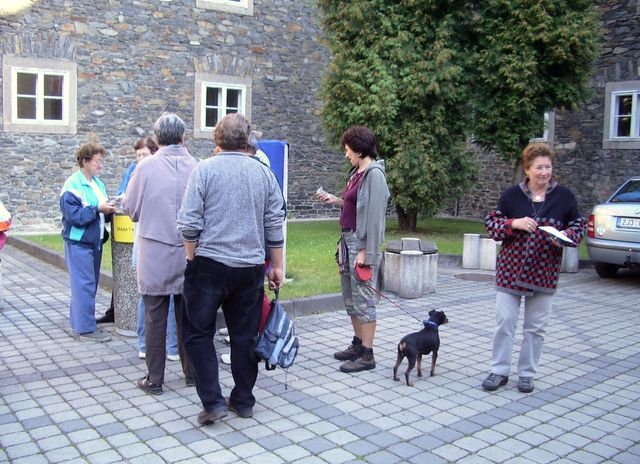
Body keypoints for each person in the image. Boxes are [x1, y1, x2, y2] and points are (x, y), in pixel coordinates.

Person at [177, 113, 285, 425]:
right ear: (247, 139)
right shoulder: (264, 174)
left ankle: (213, 402)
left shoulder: (204, 169)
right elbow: (274, 223)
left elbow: (188, 221)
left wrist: (191, 256)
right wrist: (277, 266)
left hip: (208, 265)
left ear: (217, 138)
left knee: (198, 333)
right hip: (250, 267)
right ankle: (243, 399)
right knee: (244, 336)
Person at [482, 142, 586, 394]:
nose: (544, 172)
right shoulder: (511, 195)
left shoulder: (564, 197)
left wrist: (565, 236)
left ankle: (527, 374)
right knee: (505, 323)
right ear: (527, 169)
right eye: (539, 167)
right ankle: (499, 371)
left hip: (543, 273)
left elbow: (579, 226)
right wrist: (513, 223)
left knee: (536, 328)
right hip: (510, 272)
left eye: (548, 167)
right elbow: (492, 224)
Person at [123, 113, 196, 394]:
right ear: (183, 137)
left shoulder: (145, 167)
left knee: (154, 317)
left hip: (154, 249)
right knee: (188, 315)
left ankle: (155, 379)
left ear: (157, 138)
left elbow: (131, 209)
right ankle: (192, 373)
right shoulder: (197, 166)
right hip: (190, 251)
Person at [315, 126, 390, 373]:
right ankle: (358, 345)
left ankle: (367, 355)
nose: (346, 154)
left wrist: (368, 251)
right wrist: (336, 200)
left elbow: (376, 218)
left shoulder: (374, 175)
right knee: (351, 297)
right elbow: (356, 206)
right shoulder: (356, 173)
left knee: (364, 299)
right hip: (348, 240)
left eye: (348, 150)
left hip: (361, 243)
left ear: (359, 150)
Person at [60, 142, 116, 342]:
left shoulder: (97, 184)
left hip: (94, 242)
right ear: (84, 161)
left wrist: (110, 208)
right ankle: (86, 329)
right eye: (97, 161)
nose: (101, 165)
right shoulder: (72, 186)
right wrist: (98, 209)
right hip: (79, 243)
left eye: (101, 161)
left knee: (86, 285)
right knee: (84, 285)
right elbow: (74, 217)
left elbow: (101, 214)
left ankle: (78, 322)